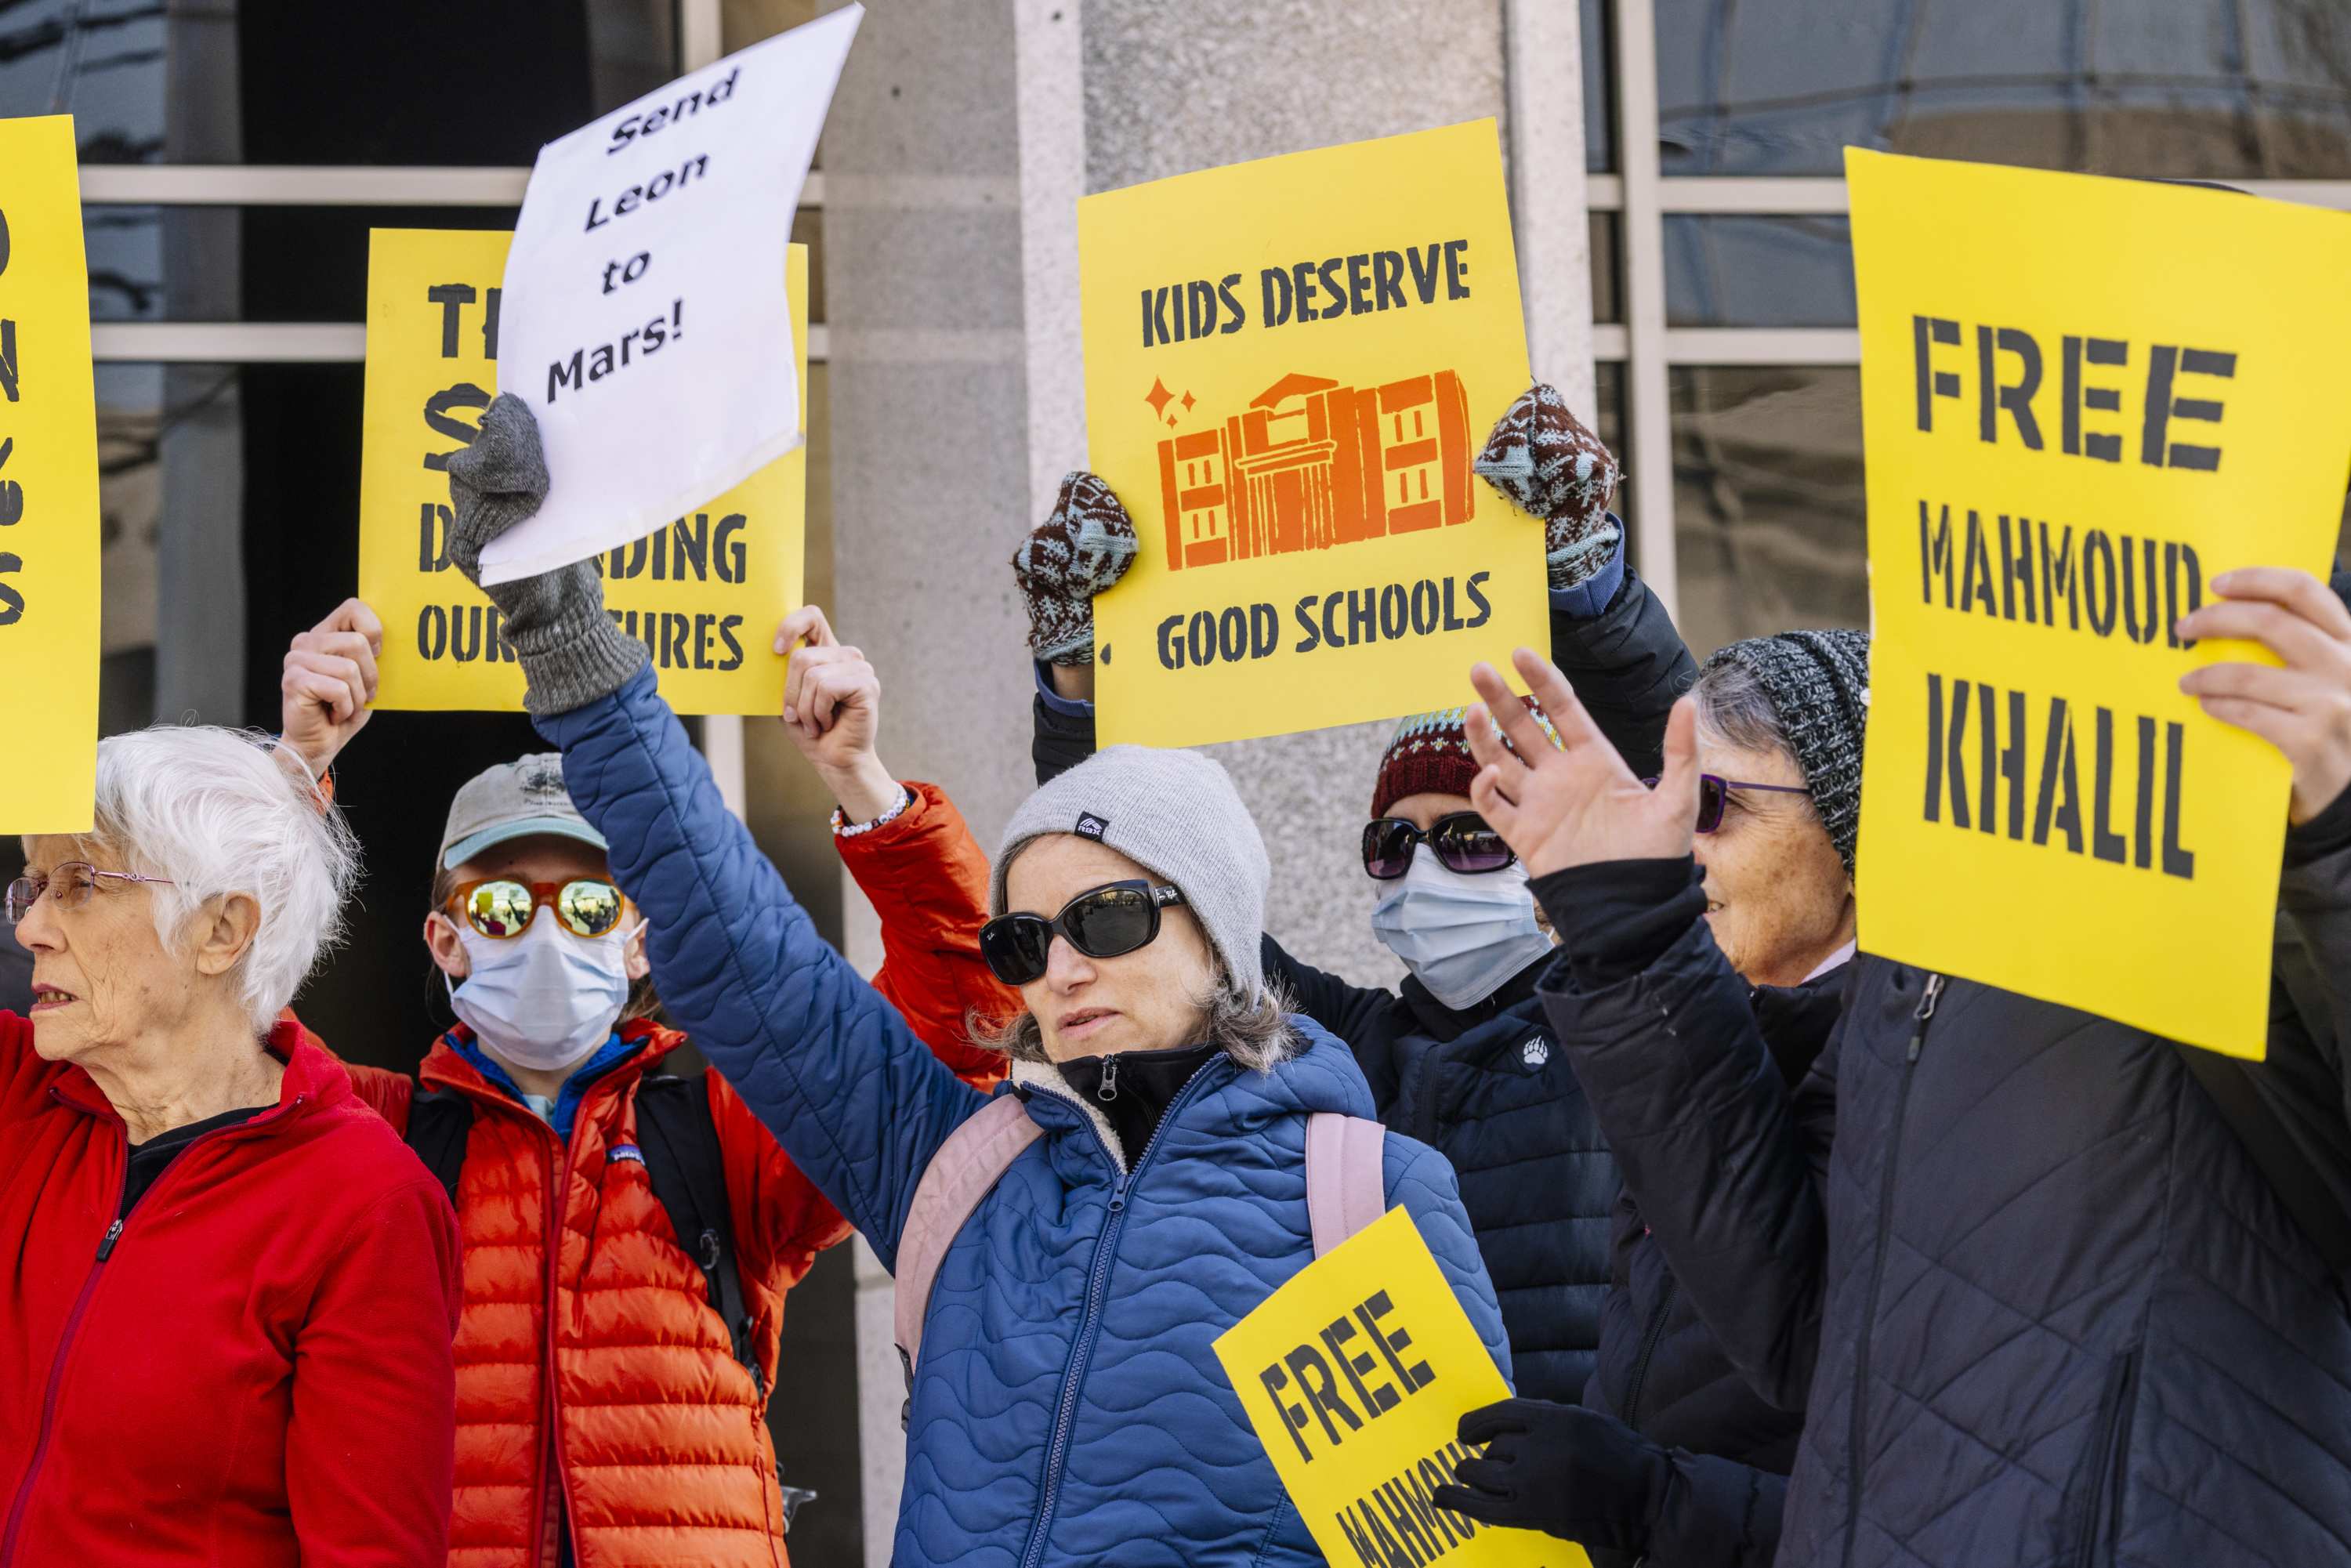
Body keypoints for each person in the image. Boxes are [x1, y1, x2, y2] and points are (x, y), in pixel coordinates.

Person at [434, 392, 1511, 1566]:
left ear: (1218, 931)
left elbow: (1455, 1543)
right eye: (1024, 939)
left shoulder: (1365, 1195)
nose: (1062, 965)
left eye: (1105, 917)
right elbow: (738, 938)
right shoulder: (962, 1169)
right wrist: (561, 629)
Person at [1453, 567, 2351, 1567]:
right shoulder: (1918, 981)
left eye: (1709, 807)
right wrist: (1630, 931)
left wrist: (2337, 834)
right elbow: (1803, 1333)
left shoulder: (2239, 886)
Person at [276, 597, 1015, 1568]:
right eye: (501, 904)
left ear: (637, 941)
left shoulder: (729, 1134)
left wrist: (861, 780)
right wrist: (289, 780)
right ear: (445, 942)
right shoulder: (375, 1137)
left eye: (588, 903)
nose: (546, 929)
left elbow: (960, 1027)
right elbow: (197, 1021)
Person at [1013, 385, 1697, 1403]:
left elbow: (1681, 791)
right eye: (1394, 843)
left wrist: (1584, 577)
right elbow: (1135, 879)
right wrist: (1080, 671)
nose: (1423, 867)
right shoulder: (1348, 1046)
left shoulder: (1645, 1017)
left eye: (1468, 836)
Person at [1431, 628, 1871, 1568]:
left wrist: (1645, 1497)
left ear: (1848, 830)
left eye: (1711, 804)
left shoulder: (1908, 1069)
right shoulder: (1725, 1016)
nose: (1678, 843)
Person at [0, 725, 461, 1566]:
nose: (32, 927)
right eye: (31, 888)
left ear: (221, 931)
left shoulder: (362, 1202)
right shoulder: (22, 1093)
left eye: (78, 885)